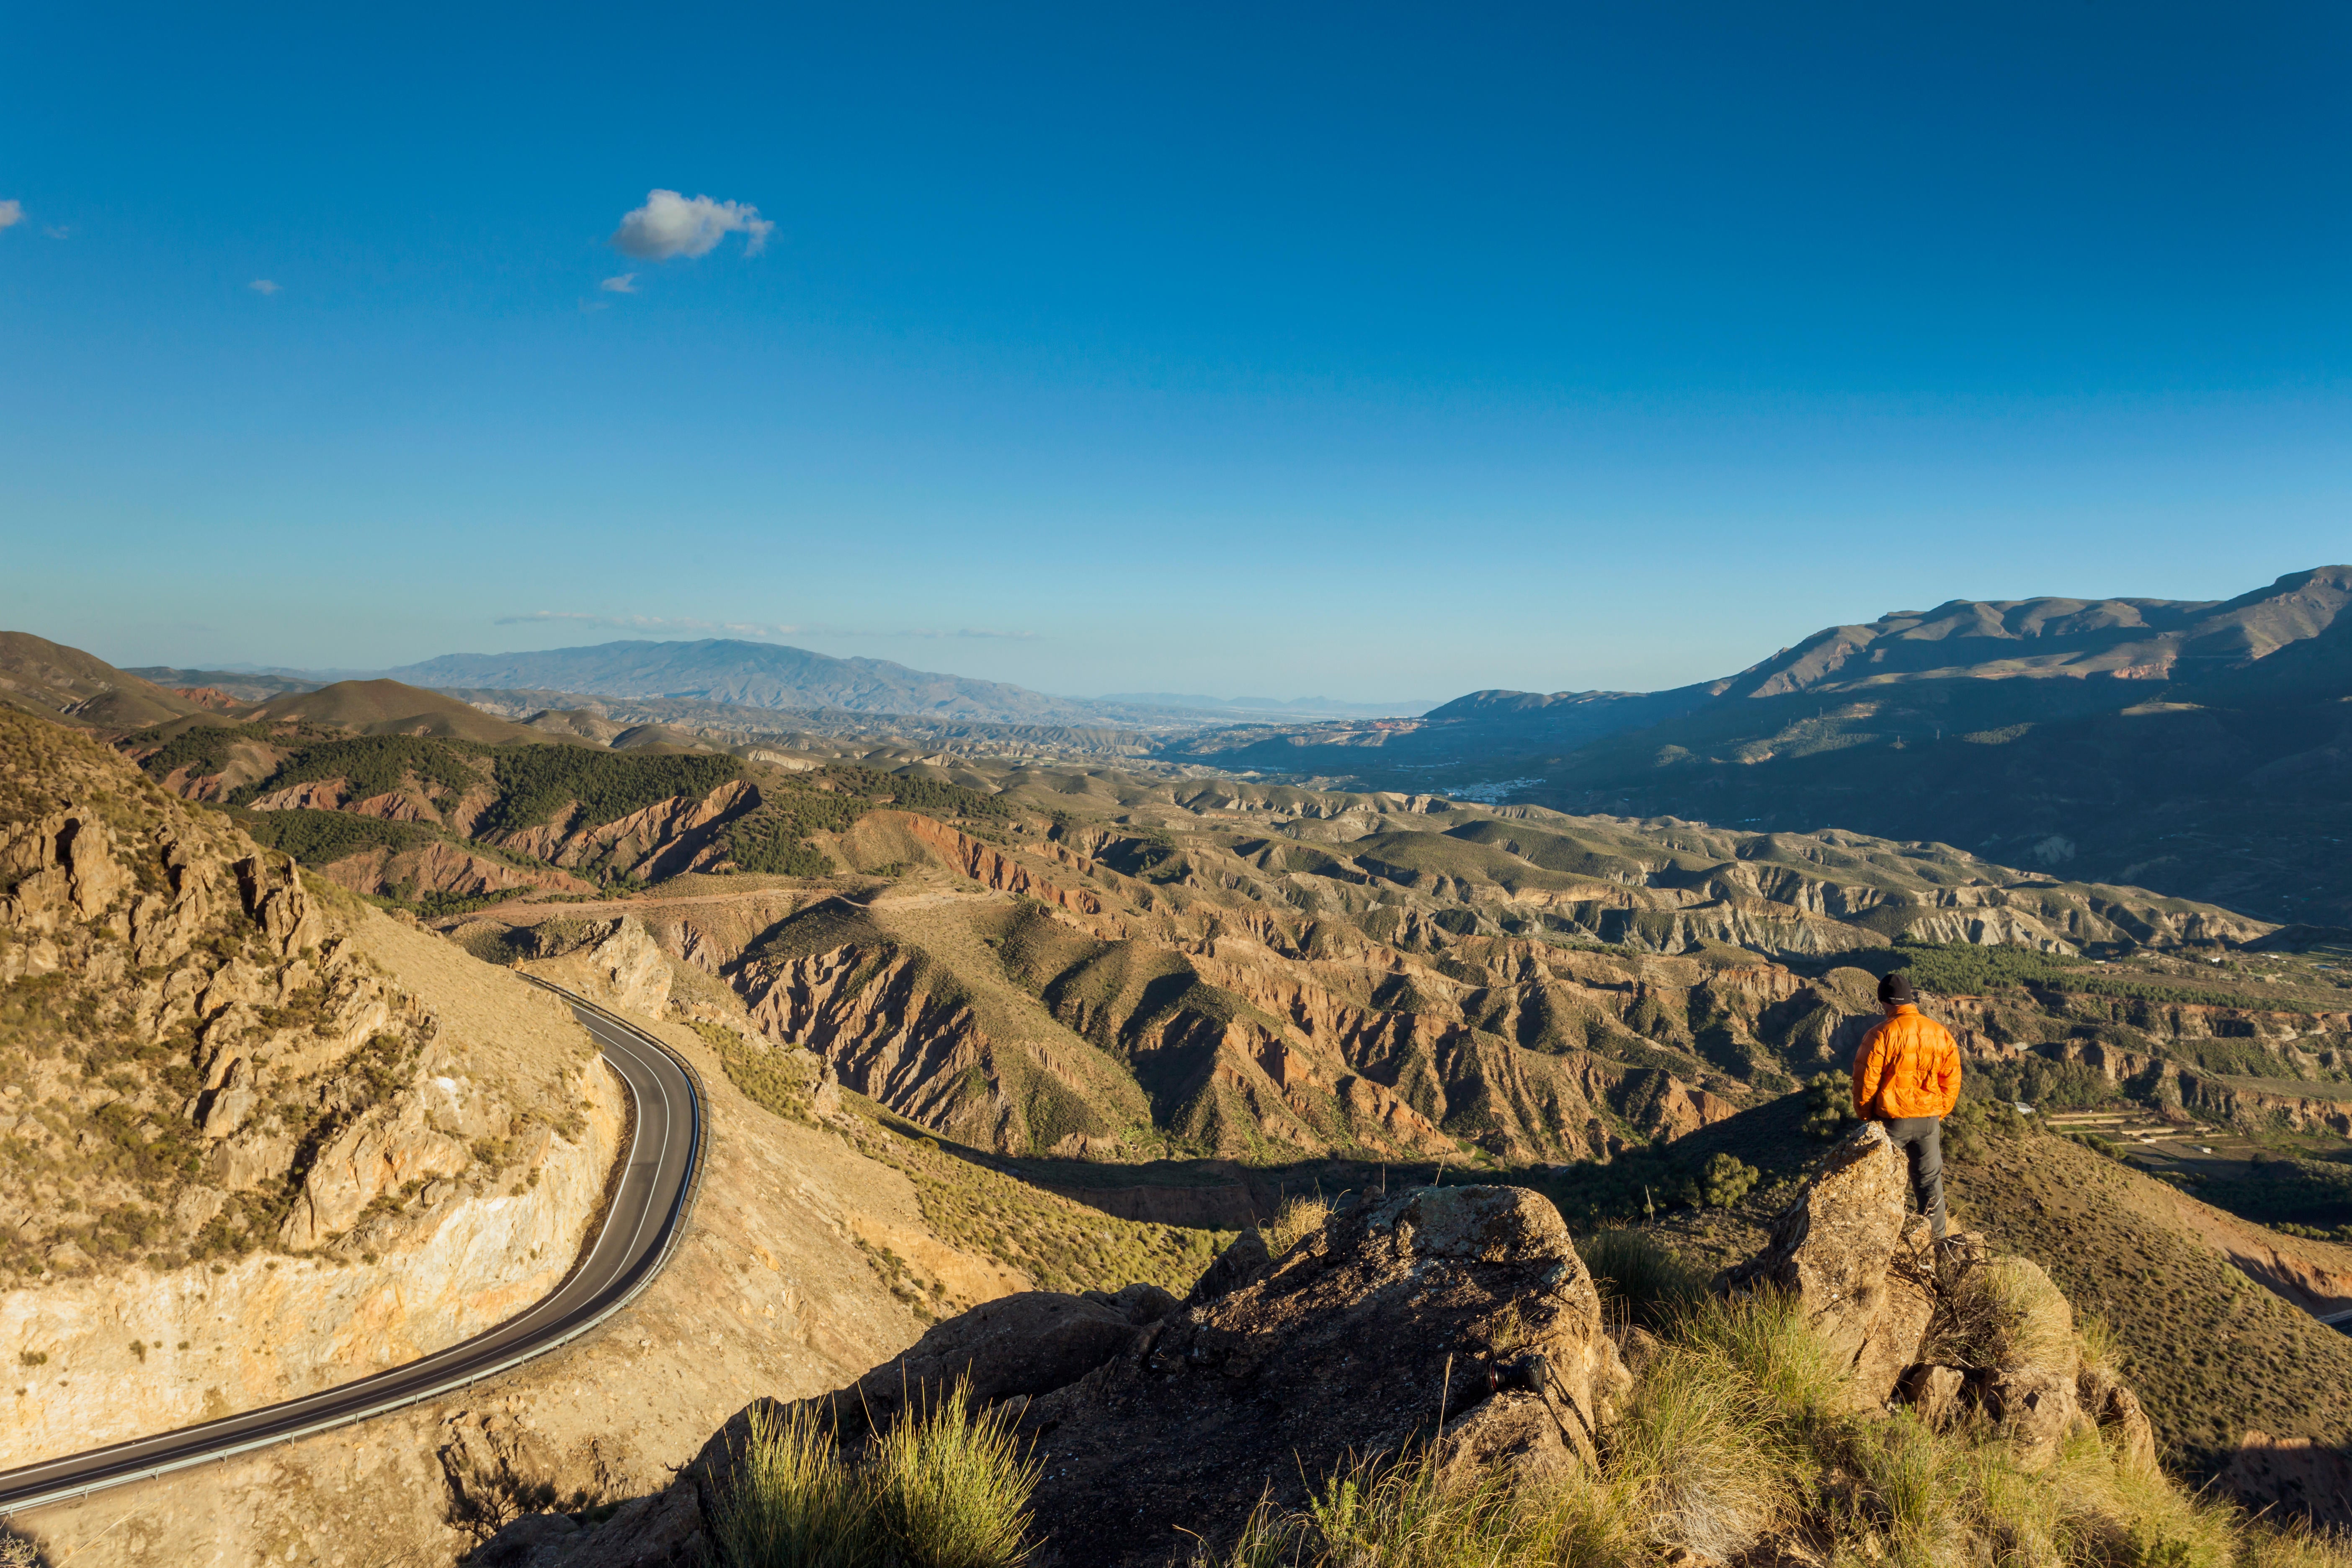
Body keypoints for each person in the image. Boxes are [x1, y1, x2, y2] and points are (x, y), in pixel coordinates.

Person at [1850, 971, 1961, 1239]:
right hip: (1929, 1120)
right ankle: (1938, 1245)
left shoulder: (1880, 1034)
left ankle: (1878, 1239)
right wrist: (1938, 1112)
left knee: (1880, 1182)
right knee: (1930, 1183)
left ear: (1884, 1002)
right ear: (1910, 999)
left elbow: (1865, 1082)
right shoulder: (1940, 1033)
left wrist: (1868, 1117)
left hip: (1892, 1121)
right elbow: (1952, 1080)